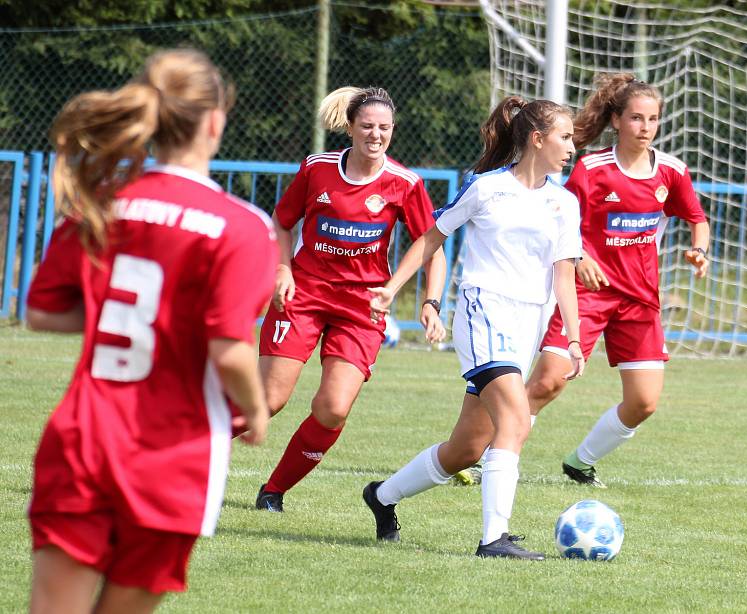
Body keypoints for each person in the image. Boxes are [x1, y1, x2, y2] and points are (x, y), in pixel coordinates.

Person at [25, 49, 278, 614]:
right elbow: (229, 348)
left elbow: (42, 312)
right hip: (173, 458)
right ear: (215, 121)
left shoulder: (105, 202)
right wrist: (256, 410)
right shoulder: (241, 227)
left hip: (83, 439)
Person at [364, 97, 585, 560]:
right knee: (516, 419)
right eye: (565, 136)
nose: (572, 145)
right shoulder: (485, 188)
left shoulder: (564, 202)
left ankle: (382, 497)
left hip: (528, 323)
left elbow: (565, 272)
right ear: (537, 139)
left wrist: (574, 337)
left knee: (466, 448)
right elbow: (431, 237)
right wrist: (392, 289)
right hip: (483, 310)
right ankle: (493, 540)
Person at [255, 86, 447, 512]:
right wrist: (282, 269)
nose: (375, 135)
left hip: (363, 307)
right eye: (367, 127)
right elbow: (282, 223)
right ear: (350, 127)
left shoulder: (405, 183)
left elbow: (432, 246)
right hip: (303, 295)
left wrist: (430, 303)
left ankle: (273, 492)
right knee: (269, 400)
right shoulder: (317, 168)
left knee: (333, 408)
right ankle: (176, 455)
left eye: (384, 128)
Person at [526, 73, 710, 488]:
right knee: (547, 382)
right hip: (586, 294)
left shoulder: (672, 173)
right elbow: (558, 221)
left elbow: (697, 218)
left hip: (640, 301)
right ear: (616, 121)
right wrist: (582, 255)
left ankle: (581, 461)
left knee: (644, 402)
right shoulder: (592, 169)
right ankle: (485, 453)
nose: (645, 128)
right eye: (636, 119)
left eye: (653, 119)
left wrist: (700, 251)